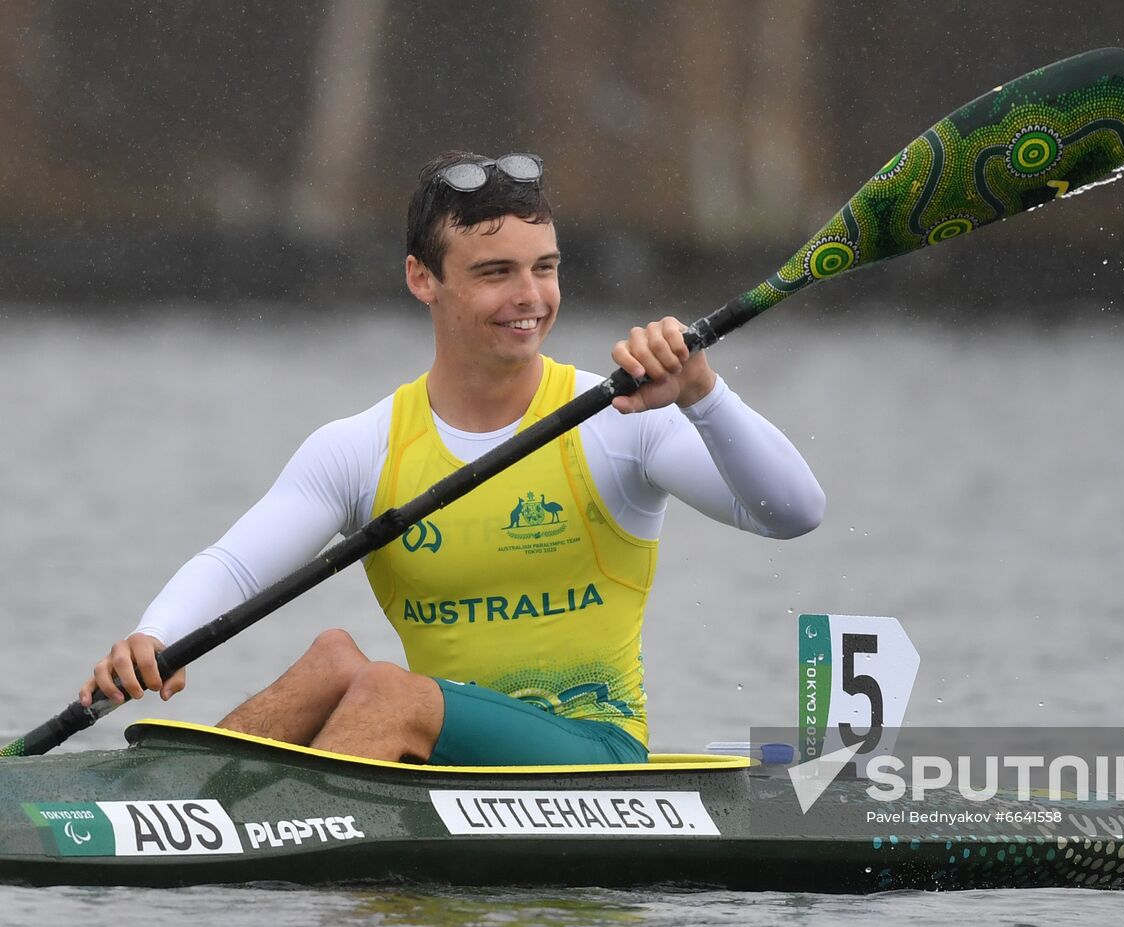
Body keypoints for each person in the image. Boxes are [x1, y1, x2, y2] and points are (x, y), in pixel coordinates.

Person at [78, 151, 825, 766]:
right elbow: (237, 569)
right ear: (421, 279)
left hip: (591, 756)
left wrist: (702, 393)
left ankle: (240, 843)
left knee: (388, 691)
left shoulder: (621, 418)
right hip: (432, 757)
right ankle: (179, 811)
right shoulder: (363, 447)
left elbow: (793, 513)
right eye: (496, 272)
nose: (529, 296)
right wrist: (155, 635)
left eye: (545, 267)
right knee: (335, 657)